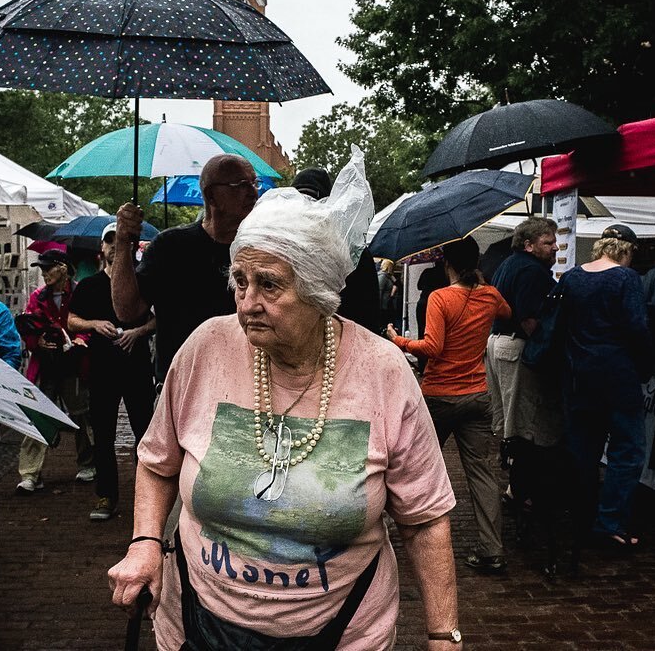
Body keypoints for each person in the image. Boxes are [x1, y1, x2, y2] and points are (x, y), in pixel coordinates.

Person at [108, 154, 464, 651]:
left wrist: (443, 634)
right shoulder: (205, 347)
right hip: (199, 623)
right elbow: (156, 462)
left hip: (342, 631)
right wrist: (146, 542)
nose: (246, 301)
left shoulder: (382, 371)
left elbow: (424, 518)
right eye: (240, 281)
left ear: (319, 293)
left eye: (269, 284)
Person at [388, 237, 512, 574]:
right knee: (483, 474)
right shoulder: (489, 295)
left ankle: (407, 537)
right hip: (477, 395)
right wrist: (482, 286)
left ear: (447, 265)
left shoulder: (440, 297)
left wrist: (396, 339)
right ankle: (491, 550)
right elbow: (507, 312)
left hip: (440, 395)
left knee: (414, 468)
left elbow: (432, 347)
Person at [111, 154, 259, 383]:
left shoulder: (258, 249)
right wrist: (122, 242)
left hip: (245, 386)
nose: (253, 192)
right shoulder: (170, 247)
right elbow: (127, 311)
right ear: (211, 196)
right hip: (180, 388)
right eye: (241, 185)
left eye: (254, 183)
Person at [558, 224, 654, 548]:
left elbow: (561, 326)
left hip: (580, 377)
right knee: (627, 451)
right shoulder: (626, 279)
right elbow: (638, 329)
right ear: (626, 251)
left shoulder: (572, 277)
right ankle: (610, 522)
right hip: (618, 376)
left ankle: (579, 516)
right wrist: (645, 369)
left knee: (583, 450)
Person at [68, 223, 156, 521]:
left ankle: (148, 495)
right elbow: (71, 320)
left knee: (144, 433)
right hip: (102, 368)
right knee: (103, 434)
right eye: (110, 240)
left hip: (137, 366)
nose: (115, 245)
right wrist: (94, 325)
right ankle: (106, 495)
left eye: (122, 240)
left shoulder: (142, 282)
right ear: (101, 249)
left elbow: (159, 319)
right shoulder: (89, 286)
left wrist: (138, 332)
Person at [485, 217, 563, 498]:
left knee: (511, 418)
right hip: (516, 347)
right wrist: (548, 351)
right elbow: (529, 319)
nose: (555, 247)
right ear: (529, 245)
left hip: (498, 343)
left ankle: (516, 484)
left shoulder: (509, 264)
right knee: (524, 421)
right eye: (548, 242)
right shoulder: (532, 271)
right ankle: (521, 488)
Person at [16, 248, 95, 492]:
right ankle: (30, 474)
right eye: (41, 269)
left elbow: (90, 322)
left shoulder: (81, 292)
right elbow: (28, 328)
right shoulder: (38, 297)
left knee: (82, 414)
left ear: (62, 268)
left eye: (48, 268)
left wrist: (81, 339)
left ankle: (88, 464)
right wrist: (36, 341)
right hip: (46, 365)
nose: (44, 273)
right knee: (36, 416)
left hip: (74, 364)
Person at [293, 167, 380, 332]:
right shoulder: (280, 250)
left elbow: (368, 309)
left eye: (312, 199)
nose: (306, 206)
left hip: (346, 343)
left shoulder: (352, 251)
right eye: (301, 199)